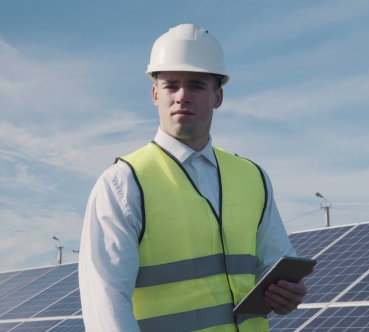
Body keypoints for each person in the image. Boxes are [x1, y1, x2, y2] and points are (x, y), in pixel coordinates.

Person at [79, 24, 308, 332]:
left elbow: (276, 265)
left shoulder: (253, 177)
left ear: (218, 96)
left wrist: (286, 294)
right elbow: (106, 308)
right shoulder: (123, 184)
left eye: (197, 85)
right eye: (171, 85)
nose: (182, 96)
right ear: (155, 94)